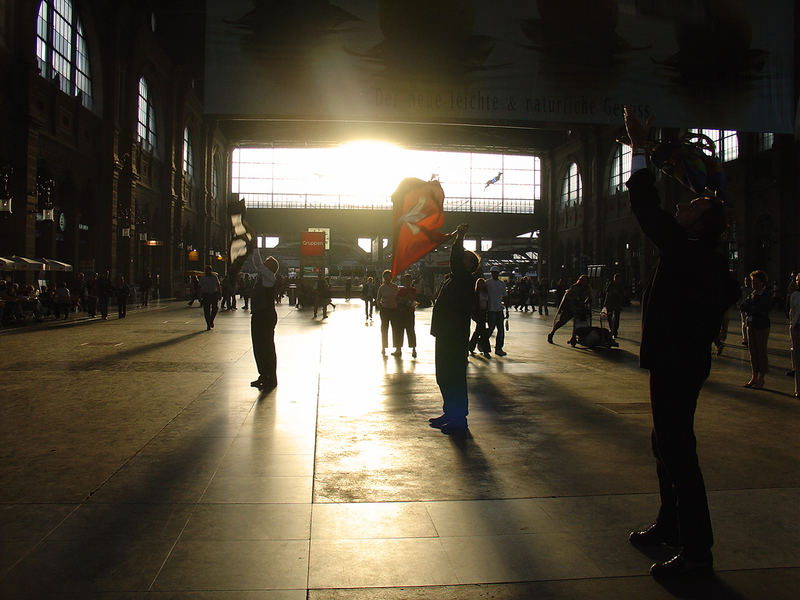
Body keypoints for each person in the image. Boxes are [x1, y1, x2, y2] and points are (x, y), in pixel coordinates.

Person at [623, 107, 739, 579]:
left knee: (678, 453)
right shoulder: (702, 256)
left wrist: (639, 150)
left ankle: (696, 553)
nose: (683, 204)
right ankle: (670, 525)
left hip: (676, 364)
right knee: (664, 444)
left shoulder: (688, 252)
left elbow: (645, 207)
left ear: (698, 226)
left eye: (692, 206)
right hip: (679, 363)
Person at [428, 224, 478, 435]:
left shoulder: (465, 279)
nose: (458, 260)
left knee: (454, 376)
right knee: (444, 375)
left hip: (454, 335)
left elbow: (454, 259)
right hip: (446, 333)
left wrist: (460, 238)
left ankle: (459, 419)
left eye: (463, 258)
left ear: (468, 265)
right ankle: (450, 413)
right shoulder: (456, 279)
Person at [247, 244, 279, 390]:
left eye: (266, 265)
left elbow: (258, 264)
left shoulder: (269, 277)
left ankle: (270, 378)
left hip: (264, 315)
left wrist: (254, 247)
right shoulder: (263, 278)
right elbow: (258, 265)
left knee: (265, 347)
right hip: (260, 314)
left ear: (269, 268)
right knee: (259, 347)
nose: (262, 266)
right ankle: (264, 375)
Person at [740, 270, 771, 389]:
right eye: (753, 281)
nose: (753, 284)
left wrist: (751, 308)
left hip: (761, 326)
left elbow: (763, 309)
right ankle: (754, 376)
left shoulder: (765, 295)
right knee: (752, 352)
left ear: (762, 282)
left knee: (761, 351)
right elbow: (743, 306)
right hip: (751, 325)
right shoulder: (752, 294)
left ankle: (761, 378)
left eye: (756, 281)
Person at [547, 275, 591, 344]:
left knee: (577, 324)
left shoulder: (587, 288)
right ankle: (552, 333)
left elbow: (588, 297)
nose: (584, 282)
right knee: (562, 322)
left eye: (585, 281)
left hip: (579, 308)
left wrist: (585, 302)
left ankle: (574, 337)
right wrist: (574, 300)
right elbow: (567, 296)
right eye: (583, 280)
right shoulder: (575, 287)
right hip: (569, 308)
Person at [377, 270, 400, 356]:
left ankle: (397, 348)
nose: (387, 278)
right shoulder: (382, 288)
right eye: (385, 277)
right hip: (385, 310)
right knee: (384, 329)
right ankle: (383, 347)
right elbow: (378, 299)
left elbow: (399, 297)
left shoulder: (395, 287)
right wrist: (381, 306)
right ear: (383, 278)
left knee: (396, 329)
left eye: (388, 277)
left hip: (394, 310)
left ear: (391, 277)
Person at [485, 266, 508, 356]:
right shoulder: (487, 283)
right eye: (493, 272)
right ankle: (485, 345)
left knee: (501, 330)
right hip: (491, 309)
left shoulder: (501, 284)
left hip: (499, 309)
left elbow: (504, 297)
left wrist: (506, 309)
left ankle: (498, 348)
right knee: (491, 329)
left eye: (495, 272)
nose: (494, 274)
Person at [396, 273, 418, 358]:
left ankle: (413, 349)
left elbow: (405, 299)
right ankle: (399, 348)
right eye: (406, 280)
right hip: (404, 312)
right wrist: (404, 299)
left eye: (409, 280)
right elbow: (400, 299)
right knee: (401, 331)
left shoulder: (412, 290)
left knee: (410, 331)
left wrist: (402, 299)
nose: (407, 282)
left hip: (408, 312)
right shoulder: (402, 290)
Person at [468, 276, 491, 358]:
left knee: (478, 331)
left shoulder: (486, 293)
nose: (481, 285)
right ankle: (485, 349)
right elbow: (474, 305)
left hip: (484, 313)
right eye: (480, 284)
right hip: (478, 314)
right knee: (483, 332)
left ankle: (471, 347)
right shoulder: (476, 294)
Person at [198, 266, 221, 330]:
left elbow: (218, 285)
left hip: (214, 294)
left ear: (211, 271)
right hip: (206, 294)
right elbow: (199, 287)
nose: (207, 272)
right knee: (206, 310)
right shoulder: (203, 278)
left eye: (208, 270)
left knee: (215, 308)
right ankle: (208, 324)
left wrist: (220, 294)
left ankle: (211, 320)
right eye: (206, 270)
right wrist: (199, 296)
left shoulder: (214, 277)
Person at [603, 274, 625, 338]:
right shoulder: (611, 284)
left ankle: (615, 330)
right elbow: (607, 293)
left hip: (617, 303)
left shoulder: (621, 285)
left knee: (616, 318)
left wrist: (618, 294)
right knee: (609, 317)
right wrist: (605, 303)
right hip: (610, 303)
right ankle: (612, 329)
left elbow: (623, 294)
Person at [789, 272, 800, 398]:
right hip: (797, 328)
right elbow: (792, 311)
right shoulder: (795, 295)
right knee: (798, 359)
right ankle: (798, 388)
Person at [737, 275, 752, 346]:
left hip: (751, 309)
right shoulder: (742, 289)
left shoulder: (753, 289)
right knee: (744, 323)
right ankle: (745, 339)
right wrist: (739, 305)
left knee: (750, 323)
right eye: (745, 281)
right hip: (743, 308)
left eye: (748, 281)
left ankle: (750, 339)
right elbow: (738, 298)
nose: (747, 282)